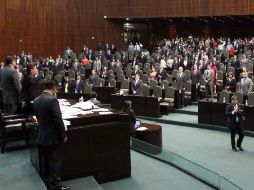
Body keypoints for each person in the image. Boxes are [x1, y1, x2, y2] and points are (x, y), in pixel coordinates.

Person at [33, 80, 71, 190]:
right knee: (55, 162)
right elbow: (58, 120)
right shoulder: (53, 100)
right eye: (56, 89)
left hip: (42, 135)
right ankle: (55, 186)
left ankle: (47, 183)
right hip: (53, 137)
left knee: (46, 162)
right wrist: (63, 135)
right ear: (53, 88)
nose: (56, 91)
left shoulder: (36, 100)